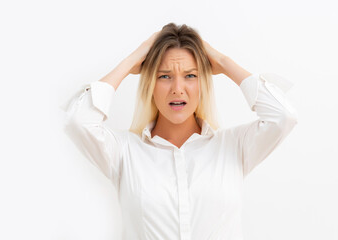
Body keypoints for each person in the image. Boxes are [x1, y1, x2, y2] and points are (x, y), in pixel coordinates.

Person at [63, 23, 298, 240]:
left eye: (190, 76)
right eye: (164, 76)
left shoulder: (233, 146)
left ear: (203, 83)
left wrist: (223, 61)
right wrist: (132, 60)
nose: (178, 89)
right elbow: (78, 121)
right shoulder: (124, 151)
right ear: (150, 85)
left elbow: (283, 116)